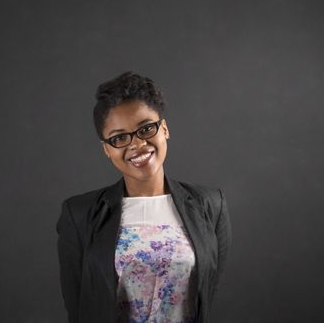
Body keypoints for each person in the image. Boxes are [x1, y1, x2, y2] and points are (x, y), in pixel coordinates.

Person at [56, 71, 231, 323]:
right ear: (106, 149)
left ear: (165, 129)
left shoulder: (210, 205)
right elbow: (78, 308)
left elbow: (206, 293)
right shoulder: (80, 214)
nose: (137, 144)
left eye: (146, 128)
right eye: (119, 138)